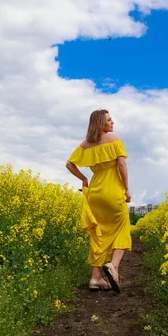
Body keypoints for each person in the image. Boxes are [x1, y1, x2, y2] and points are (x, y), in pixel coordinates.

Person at [65, 109, 131, 294]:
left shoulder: (86, 144)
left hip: (95, 191)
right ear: (101, 123)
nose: (113, 122)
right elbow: (121, 164)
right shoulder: (114, 139)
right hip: (112, 190)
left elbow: (69, 164)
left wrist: (84, 179)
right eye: (109, 120)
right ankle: (113, 266)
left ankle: (95, 278)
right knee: (122, 227)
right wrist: (126, 189)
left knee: (98, 234)